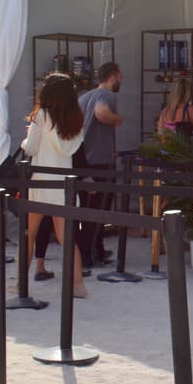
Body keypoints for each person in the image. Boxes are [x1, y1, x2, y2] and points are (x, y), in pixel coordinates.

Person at [22, 73, 89, 298]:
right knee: (67, 239)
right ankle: (78, 285)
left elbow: (29, 149)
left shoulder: (41, 116)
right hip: (64, 185)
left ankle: (21, 284)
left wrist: (25, 139)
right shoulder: (75, 120)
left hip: (41, 183)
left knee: (28, 234)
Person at [78, 62, 124, 266]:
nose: (121, 81)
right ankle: (86, 254)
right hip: (100, 162)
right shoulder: (106, 95)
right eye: (120, 77)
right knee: (98, 210)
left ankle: (97, 250)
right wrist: (117, 118)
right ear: (113, 77)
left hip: (83, 160)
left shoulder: (83, 97)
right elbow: (101, 113)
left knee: (89, 209)